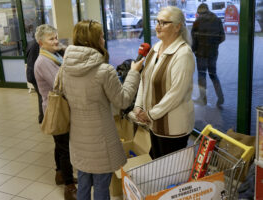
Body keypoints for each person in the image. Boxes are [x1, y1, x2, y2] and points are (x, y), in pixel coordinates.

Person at [61, 20, 144, 200]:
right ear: (93, 41)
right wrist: (134, 72)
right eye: (101, 36)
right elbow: (123, 100)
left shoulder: (65, 68)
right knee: (100, 184)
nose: (104, 40)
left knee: (83, 183)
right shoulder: (104, 70)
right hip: (101, 141)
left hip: (78, 136)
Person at [133, 6, 195, 159]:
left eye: (164, 23)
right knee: (156, 163)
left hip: (173, 127)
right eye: (157, 21)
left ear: (177, 27)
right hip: (154, 123)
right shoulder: (155, 48)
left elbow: (176, 94)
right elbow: (144, 79)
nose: (158, 26)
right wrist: (138, 107)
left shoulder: (183, 54)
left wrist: (150, 114)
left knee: (169, 173)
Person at [33, 24, 77, 200]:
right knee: (65, 147)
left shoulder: (53, 56)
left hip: (57, 108)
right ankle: (69, 186)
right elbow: (60, 84)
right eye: (51, 39)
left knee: (59, 145)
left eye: (56, 37)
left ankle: (59, 174)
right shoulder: (43, 61)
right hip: (55, 110)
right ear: (40, 43)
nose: (56, 41)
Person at [191, 3, 225, 106]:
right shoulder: (217, 20)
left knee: (201, 75)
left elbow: (194, 40)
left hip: (201, 54)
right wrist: (213, 45)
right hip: (212, 54)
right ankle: (220, 98)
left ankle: (203, 99)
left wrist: (194, 50)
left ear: (199, 12)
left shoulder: (197, 22)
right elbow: (222, 38)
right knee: (213, 75)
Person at [26, 39, 44, 124]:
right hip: (34, 75)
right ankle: (43, 118)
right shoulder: (36, 45)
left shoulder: (32, 43)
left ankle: (42, 117)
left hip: (31, 74)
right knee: (42, 97)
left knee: (41, 96)